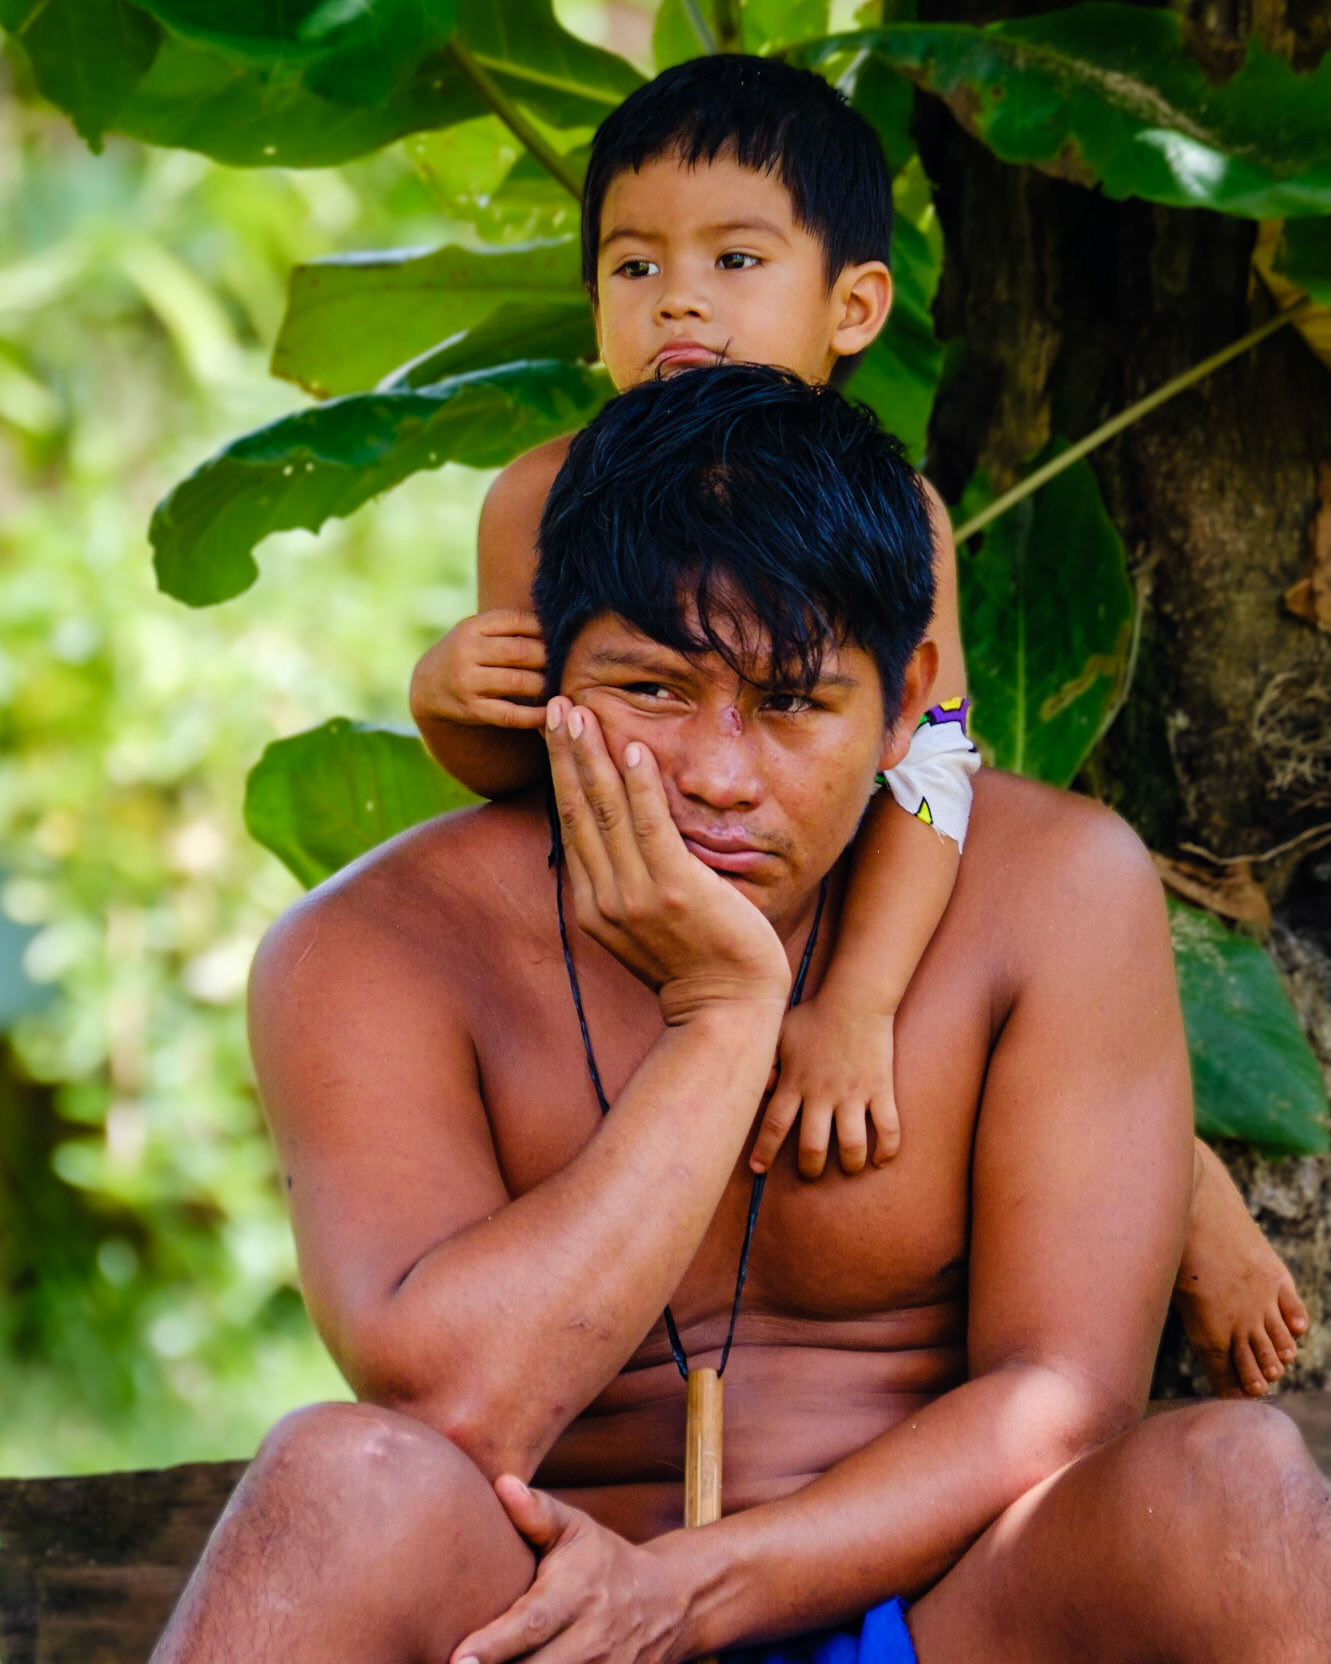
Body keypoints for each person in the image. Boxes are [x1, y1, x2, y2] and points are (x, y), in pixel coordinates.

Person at [153, 368, 1330, 1664]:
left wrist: (688, 1591)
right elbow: (457, 1408)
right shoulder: (378, 947)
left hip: (934, 1620)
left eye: (790, 704)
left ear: (905, 698)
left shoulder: (1050, 894)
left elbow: (1061, 1401)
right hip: (537, 1620)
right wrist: (723, 1018)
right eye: (649, 692)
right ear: (550, 667)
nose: (718, 775)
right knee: (341, 1482)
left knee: (1239, 1488)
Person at [406, 55, 1308, 1402]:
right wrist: (446, 703)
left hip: (867, 881)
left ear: (853, 307)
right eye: (635, 266)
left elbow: (935, 759)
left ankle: (1168, 1171)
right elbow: (533, 780)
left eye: (736, 259)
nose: (682, 299)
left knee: (1023, 894)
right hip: (648, 902)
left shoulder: (895, 523)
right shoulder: (539, 504)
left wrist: (862, 1007)